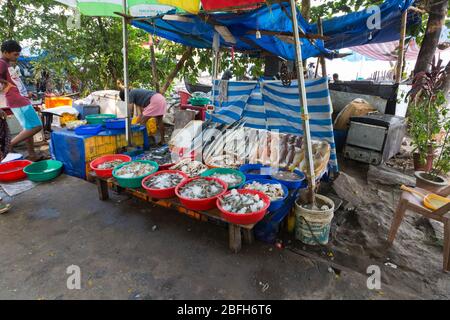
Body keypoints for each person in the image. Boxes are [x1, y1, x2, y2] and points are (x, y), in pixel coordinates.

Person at [0, 40, 43, 161]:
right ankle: (9, 145)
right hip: (17, 100)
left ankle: (32, 155)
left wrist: (26, 93)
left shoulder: (7, 64)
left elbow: (14, 83)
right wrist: (5, 83)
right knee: (36, 127)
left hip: (19, 97)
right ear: (5, 52)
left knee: (28, 128)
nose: (17, 57)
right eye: (15, 54)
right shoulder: (2, 63)